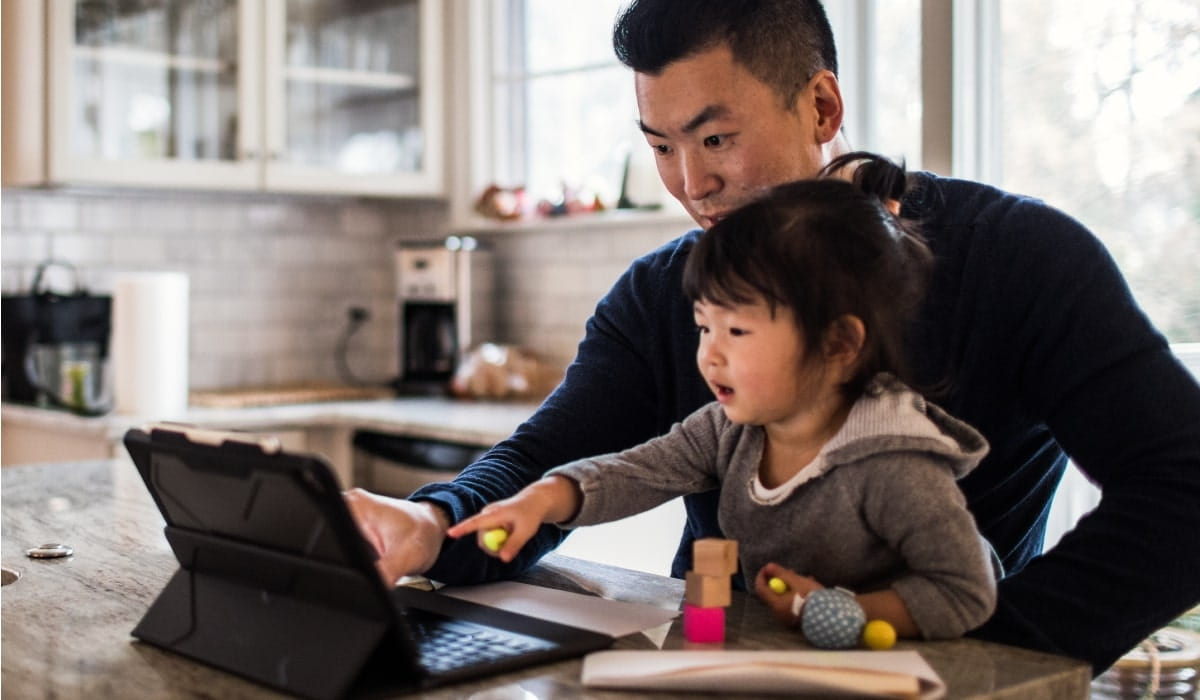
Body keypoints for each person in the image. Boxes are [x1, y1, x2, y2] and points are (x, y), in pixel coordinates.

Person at [345, 0, 1200, 673]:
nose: (693, 183)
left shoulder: (1018, 258)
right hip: (714, 667)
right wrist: (433, 521)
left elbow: (1183, 489)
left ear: (821, 104)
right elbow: (550, 459)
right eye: (660, 146)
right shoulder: (657, 295)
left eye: (717, 138)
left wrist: (989, 653)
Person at [447, 161, 999, 642]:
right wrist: (546, 497)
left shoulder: (892, 465)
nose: (708, 356)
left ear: (838, 343)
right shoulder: (731, 430)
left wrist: (844, 613)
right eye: (702, 328)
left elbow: (966, 591)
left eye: (735, 332)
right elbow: (637, 472)